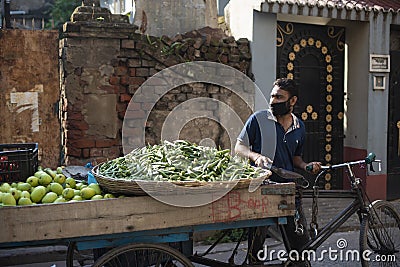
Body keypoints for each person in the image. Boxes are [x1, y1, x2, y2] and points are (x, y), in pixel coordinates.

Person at [235, 78, 321, 265]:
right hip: (260, 192)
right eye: (272, 96)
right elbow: (239, 146)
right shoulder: (258, 119)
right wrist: (255, 156)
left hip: (288, 194)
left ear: (293, 101)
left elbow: (295, 158)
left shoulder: (299, 127)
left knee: (300, 251)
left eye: (279, 97)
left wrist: (306, 166)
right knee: (255, 252)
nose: (273, 100)